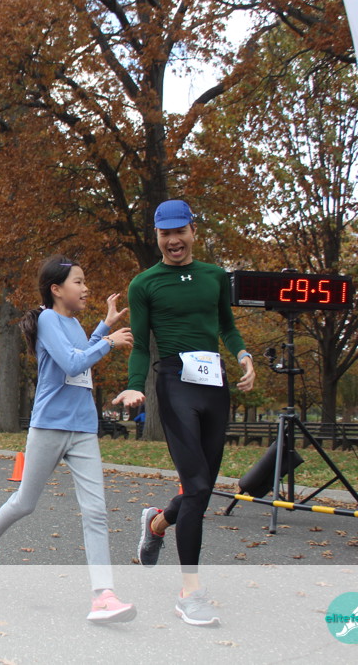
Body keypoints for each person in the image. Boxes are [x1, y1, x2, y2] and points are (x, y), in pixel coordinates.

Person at [0, 255, 137, 624]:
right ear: (57, 289)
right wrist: (108, 341)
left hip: (83, 428)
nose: (86, 288)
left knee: (96, 511)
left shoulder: (74, 323)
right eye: (79, 282)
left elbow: (82, 353)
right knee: (25, 502)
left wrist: (104, 326)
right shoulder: (46, 320)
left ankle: (103, 595)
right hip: (49, 426)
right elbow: (73, 363)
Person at [112, 199, 255, 627]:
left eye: (180, 232)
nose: (173, 241)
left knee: (202, 489)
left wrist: (243, 355)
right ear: (156, 236)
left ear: (193, 231)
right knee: (196, 484)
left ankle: (157, 524)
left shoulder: (215, 276)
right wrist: (135, 383)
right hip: (174, 383)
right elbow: (141, 344)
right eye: (165, 234)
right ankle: (190, 592)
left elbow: (227, 326)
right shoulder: (144, 284)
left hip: (214, 383)